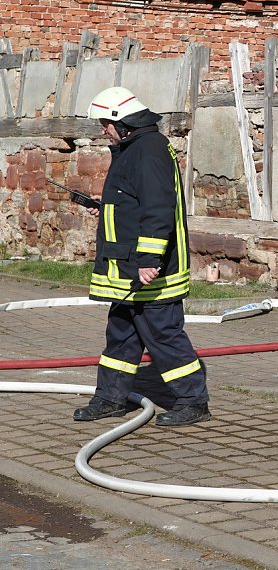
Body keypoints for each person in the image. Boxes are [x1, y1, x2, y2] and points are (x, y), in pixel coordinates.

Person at [73, 86, 210, 427]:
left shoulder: (147, 152)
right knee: (120, 335)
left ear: (124, 121)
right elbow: (134, 202)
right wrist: (106, 210)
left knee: (163, 335)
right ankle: (110, 399)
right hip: (128, 270)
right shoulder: (134, 149)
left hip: (148, 271)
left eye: (106, 123)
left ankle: (194, 401)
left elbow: (158, 210)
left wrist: (149, 260)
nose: (103, 129)